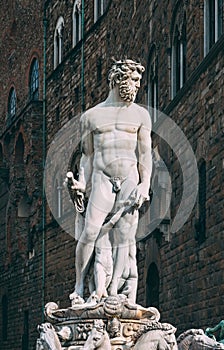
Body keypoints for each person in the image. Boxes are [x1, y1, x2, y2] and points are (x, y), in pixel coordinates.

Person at [69, 59, 152, 305]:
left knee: (124, 237)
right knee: (91, 231)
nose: (137, 86)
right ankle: (79, 285)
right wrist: (82, 184)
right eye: (133, 80)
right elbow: (87, 156)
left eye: (139, 81)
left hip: (129, 178)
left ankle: (114, 290)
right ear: (118, 79)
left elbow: (145, 154)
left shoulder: (141, 115)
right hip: (102, 178)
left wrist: (145, 184)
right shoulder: (91, 116)